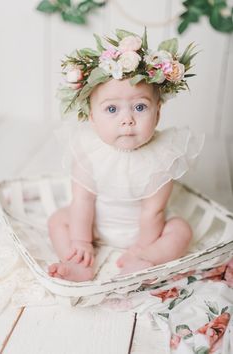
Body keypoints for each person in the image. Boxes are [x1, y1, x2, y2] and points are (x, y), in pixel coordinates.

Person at [48, 29, 204, 281]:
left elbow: (153, 212)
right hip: (95, 227)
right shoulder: (87, 152)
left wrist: (142, 249)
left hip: (144, 234)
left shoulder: (163, 156)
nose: (127, 120)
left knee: (180, 230)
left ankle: (145, 261)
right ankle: (78, 261)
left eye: (140, 107)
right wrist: (81, 240)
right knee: (58, 219)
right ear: (92, 118)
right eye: (112, 109)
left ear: (158, 113)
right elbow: (82, 202)